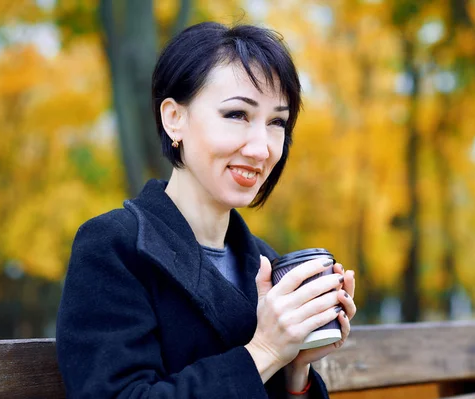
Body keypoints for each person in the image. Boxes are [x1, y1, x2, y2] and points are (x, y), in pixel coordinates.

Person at [56, 21, 357, 398]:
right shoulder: (114, 247)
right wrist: (264, 351)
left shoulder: (266, 263)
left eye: (277, 122)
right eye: (237, 115)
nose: (261, 148)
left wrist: (296, 368)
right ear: (173, 119)